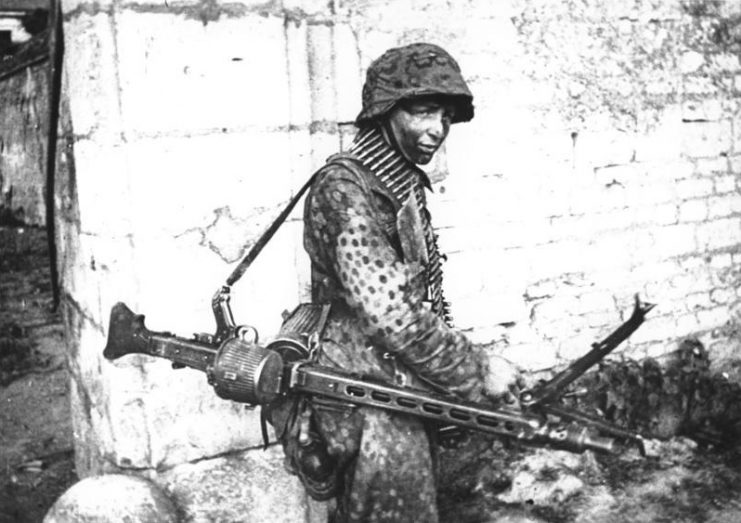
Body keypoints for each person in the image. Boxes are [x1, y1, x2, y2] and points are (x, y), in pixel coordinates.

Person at [277, 42, 521, 522]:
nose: (438, 129)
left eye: (446, 116)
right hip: (361, 395)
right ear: (386, 113)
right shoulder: (345, 190)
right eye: (425, 111)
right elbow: (392, 313)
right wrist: (477, 370)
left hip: (395, 383)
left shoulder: (398, 183)